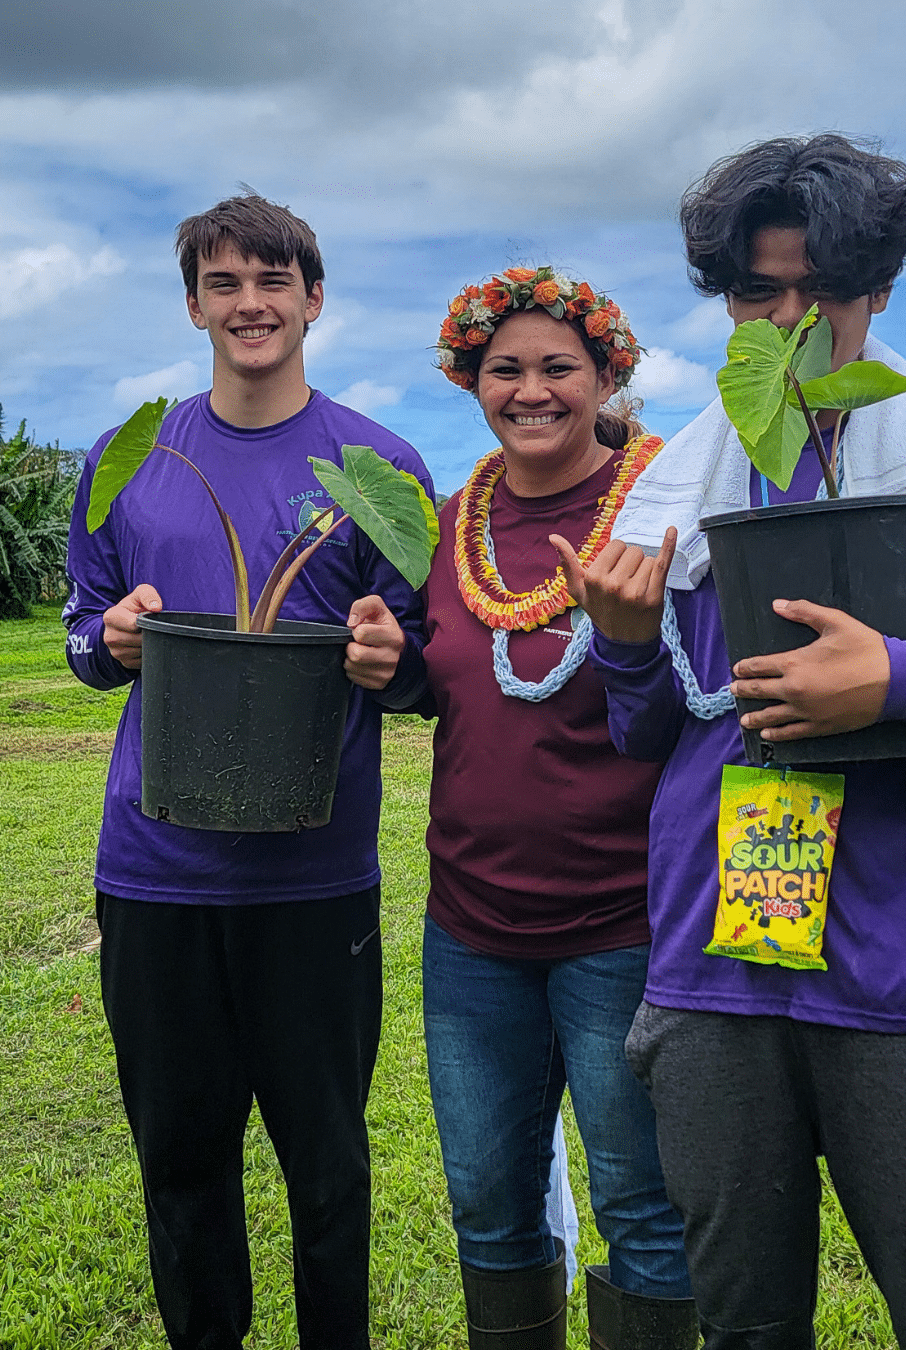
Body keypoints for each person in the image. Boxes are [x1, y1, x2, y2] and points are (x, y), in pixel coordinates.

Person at [552, 135, 906, 1350]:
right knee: (743, 1317)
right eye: (755, 293)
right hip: (712, 968)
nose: (786, 322)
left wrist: (900, 675)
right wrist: (629, 643)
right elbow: (646, 731)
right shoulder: (678, 495)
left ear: (880, 287)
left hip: (900, 964)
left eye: (820, 290)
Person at [63, 192, 433, 1350]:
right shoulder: (133, 459)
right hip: (156, 872)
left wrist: (392, 659)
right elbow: (82, 633)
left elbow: (429, 665)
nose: (250, 304)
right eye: (224, 285)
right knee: (179, 1164)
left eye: (273, 282)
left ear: (312, 299)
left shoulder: (378, 462)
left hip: (315, 881)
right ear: (193, 306)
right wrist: (109, 640)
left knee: (328, 1169)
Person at [421, 268, 698, 1349]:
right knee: (488, 1206)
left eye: (557, 368)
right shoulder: (450, 526)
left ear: (607, 374)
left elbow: (702, 709)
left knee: (644, 1211)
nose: (530, 391)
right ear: (470, 380)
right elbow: (425, 677)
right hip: (470, 930)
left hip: (626, 927)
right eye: (505, 370)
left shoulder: (669, 509)